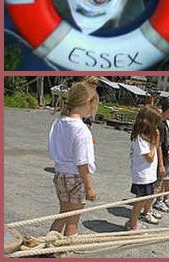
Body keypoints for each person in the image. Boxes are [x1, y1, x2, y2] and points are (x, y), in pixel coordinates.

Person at [48, 81, 99, 236]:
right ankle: (66, 247)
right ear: (87, 102)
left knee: (63, 214)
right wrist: (90, 188)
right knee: (73, 219)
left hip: (60, 174)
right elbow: (82, 163)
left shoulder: (58, 123)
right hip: (76, 177)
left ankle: (49, 244)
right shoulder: (81, 129)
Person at [127, 106, 162, 230]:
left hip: (149, 174)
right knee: (140, 201)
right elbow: (150, 157)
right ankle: (132, 225)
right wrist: (153, 143)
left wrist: (154, 139)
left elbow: (156, 149)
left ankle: (133, 222)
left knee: (143, 200)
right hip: (142, 175)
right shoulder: (140, 138)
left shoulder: (147, 137)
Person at [153, 99, 169, 213]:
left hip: (165, 157)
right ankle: (148, 208)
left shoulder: (166, 123)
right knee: (155, 185)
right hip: (159, 159)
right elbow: (158, 146)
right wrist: (161, 163)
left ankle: (153, 204)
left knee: (159, 183)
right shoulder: (160, 124)